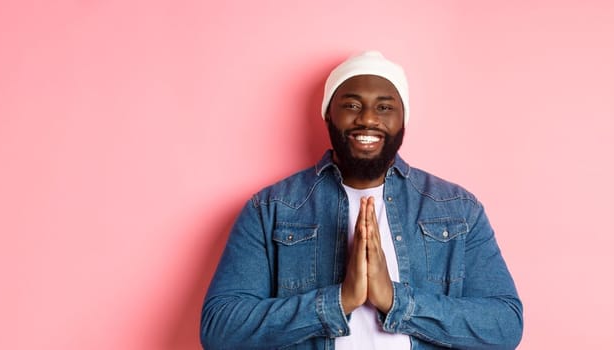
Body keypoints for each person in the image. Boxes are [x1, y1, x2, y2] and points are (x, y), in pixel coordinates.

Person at [201, 51, 523, 349]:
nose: (367, 119)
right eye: (352, 105)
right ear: (328, 114)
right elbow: (220, 329)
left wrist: (396, 300)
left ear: (403, 119)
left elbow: (505, 324)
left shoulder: (457, 208)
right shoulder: (270, 209)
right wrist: (339, 301)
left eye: (384, 107)